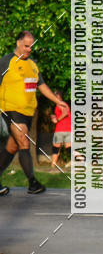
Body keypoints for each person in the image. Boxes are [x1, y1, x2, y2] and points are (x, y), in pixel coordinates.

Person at [0, 31, 68, 195]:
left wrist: (58, 101)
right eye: (26, 46)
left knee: (12, 146)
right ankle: (33, 183)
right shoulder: (6, 62)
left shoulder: (32, 64)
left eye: (31, 46)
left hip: (28, 112)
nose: (29, 49)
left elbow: (42, 85)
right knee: (24, 142)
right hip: (10, 109)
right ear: (18, 43)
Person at [50, 91, 71, 170]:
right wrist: (53, 118)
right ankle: (83, 160)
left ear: (59, 96)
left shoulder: (61, 104)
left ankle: (53, 165)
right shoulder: (57, 106)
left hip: (61, 129)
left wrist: (58, 119)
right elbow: (54, 117)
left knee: (56, 147)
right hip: (68, 129)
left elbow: (65, 113)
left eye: (55, 95)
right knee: (69, 148)